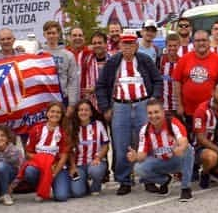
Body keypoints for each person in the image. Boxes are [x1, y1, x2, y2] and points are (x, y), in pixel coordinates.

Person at [95, 33, 164, 196]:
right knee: (121, 145)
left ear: (136, 46)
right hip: (120, 106)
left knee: (146, 142)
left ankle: (148, 178)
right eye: (125, 44)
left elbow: (158, 80)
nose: (127, 48)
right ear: (120, 46)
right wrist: (106, 108)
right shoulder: (113, 63)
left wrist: (154, 98)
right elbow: (101, 86)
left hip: (142, 104)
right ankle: (124, 180)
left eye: (131, 44)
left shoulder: (144, 61)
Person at [128, 99, 195, 202]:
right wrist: (135, 156)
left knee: (188, 149)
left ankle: (185, 188)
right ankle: (164, 180)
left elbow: (183, 140)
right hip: (161, 162)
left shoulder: (172, 122)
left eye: (156, 112)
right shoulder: (145, 130)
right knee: (138, 168)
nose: (153, 116)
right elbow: (143, 155)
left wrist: (181, 148)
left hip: (177, 159)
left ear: (163, 112)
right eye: (150, 113)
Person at [172, 30, 218, 130]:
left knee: (208, 138)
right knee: (191, 139)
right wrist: (179, 105)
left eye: (204, 40)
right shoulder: (184, 59)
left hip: (211, 110)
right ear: (193, 43)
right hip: (189, 110)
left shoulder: (217, 59)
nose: (201, 43)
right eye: (198, 40)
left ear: (209, 42)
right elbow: (176, 82)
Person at [18, 102, 72, 201]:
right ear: (47, 113)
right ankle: (40, 188)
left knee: (62, 197)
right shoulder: (36, 129)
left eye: (58, 112)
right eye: (52, 111)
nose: (55, 114)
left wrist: (53, 173)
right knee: (29, 171)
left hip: (57, 168)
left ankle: (55, 184)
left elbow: (64, 157)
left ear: (61, 115)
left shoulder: (64, 132)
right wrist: (44, 162)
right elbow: (28, 153)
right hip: (39, 167)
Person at [69, 101, 110, 197]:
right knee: (77, 193)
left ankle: (96, 185)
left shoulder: (98, 125)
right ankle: (84, 184)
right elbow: (69, 150)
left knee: (95, 171)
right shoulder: (72, 127)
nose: (83, 112)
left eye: (86, 110)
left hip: (95, 162)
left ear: (91, 112)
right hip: (78, 165)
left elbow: (105, 145)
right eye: (81, 110)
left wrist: (98, 158)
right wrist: (73, 166)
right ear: (77, 112)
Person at [41, 21, 81, 107]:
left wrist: (72, 104)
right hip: (44, 98)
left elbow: (73, 81)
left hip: (63, 98)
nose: (51, 36)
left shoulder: (68, 55)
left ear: (58, 34)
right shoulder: (38, 55)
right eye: (49, 33)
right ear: (44, 34)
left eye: (54, 33)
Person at [159, 32, 183, 115]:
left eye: (175, 46)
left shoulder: (182, 62)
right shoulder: (160, 60)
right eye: (170, 46)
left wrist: (181, 105)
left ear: (179, 46)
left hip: (178, 105)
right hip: (163, 105)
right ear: (166, 46)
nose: (172, 48)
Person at [85, 32, 111, 109]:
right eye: (94, 43)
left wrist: (96, 88)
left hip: (109, 103)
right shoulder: (87, 60)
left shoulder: (113, 60)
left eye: (100, 43)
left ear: (106, 44)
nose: (97, 45)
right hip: (91, 104)